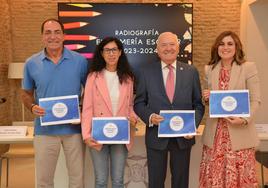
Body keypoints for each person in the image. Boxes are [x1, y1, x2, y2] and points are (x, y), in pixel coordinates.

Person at [21, 18, 89, 188]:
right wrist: (32, 106)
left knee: (77, 178)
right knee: (44, 180)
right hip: (44, 130)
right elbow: (26, 93)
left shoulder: (79, 61)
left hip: (74, 130)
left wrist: (82, 109)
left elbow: (89, 90)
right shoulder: (31, 63)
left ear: (64, 35)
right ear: (42, 37)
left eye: (57, 32)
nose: (53, 36)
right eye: (48, 33)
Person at [134, 32, 204, 188]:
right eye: (163, 45)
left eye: (172, 44)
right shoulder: (146, 72)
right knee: (156, 182)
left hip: (183, 138)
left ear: (178, 47)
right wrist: (150, 116)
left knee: (180, 181)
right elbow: (139, 103)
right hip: (156, 137)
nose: (168, 48)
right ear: (157, 49)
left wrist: (192, 126)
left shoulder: (191, 71)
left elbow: (198, 104)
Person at [199, 31, 261, 188]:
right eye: (221, 43)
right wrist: (206, 98)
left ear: (237, 47)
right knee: (215, 180)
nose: (225, 47)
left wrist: (244, 120)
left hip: (239, 134)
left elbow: (256, 100)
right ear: (216, 47)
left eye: (229, 44)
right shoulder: (210, 70)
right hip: (215, 136)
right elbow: (212, 102)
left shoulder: (248, 68)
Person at [81, 37, 137, 188]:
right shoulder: (93, 77)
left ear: (120, 53)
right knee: (100, 180)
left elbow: (130, 106)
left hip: (121, 134)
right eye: (107, 50)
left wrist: (133, 118)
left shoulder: (128, 78)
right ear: (102, 53)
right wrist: (86, 135)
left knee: (118, 180)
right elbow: (87, 108)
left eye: (114, 50)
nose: (111, 54)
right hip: (98, 135)